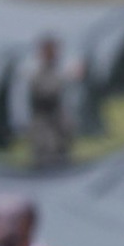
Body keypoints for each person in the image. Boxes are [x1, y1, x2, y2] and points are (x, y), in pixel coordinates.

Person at [24, 36, 77, 171]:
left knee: (62, 157)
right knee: (46, 159)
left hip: (59, 123)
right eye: (49, 51)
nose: (53, 54)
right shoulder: (35, 71)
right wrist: (66, 77)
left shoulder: (57, 69)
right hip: (43, 123)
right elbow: (46, 91)